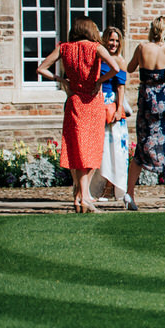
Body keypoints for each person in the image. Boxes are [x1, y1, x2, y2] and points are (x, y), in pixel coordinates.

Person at [35, 17, 121, 213]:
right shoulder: (95, 48)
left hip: (74, 101)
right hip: (92, 101)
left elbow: (41, 69)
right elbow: (115, 68)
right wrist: (99, 81)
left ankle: (79, 197)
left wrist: (61, 80)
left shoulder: (64, 48)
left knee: (79, 151)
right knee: (90, 152)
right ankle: (84, 200)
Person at [126, 16, 165, 210]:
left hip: (148, 98)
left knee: (143, 143)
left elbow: (130, 68)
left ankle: (129, 193)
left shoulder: (142, 48)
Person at [90, 26, 133, 207]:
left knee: (115, 148)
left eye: (117, 40)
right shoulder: (99, 59)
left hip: (112, 104)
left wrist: (117, 109)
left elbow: (121, 87)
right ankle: (98, 187)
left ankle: (112, 186)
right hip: (98, 102)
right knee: (101, 149)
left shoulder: (120, 61)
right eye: (111, 40)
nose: (114, 44)